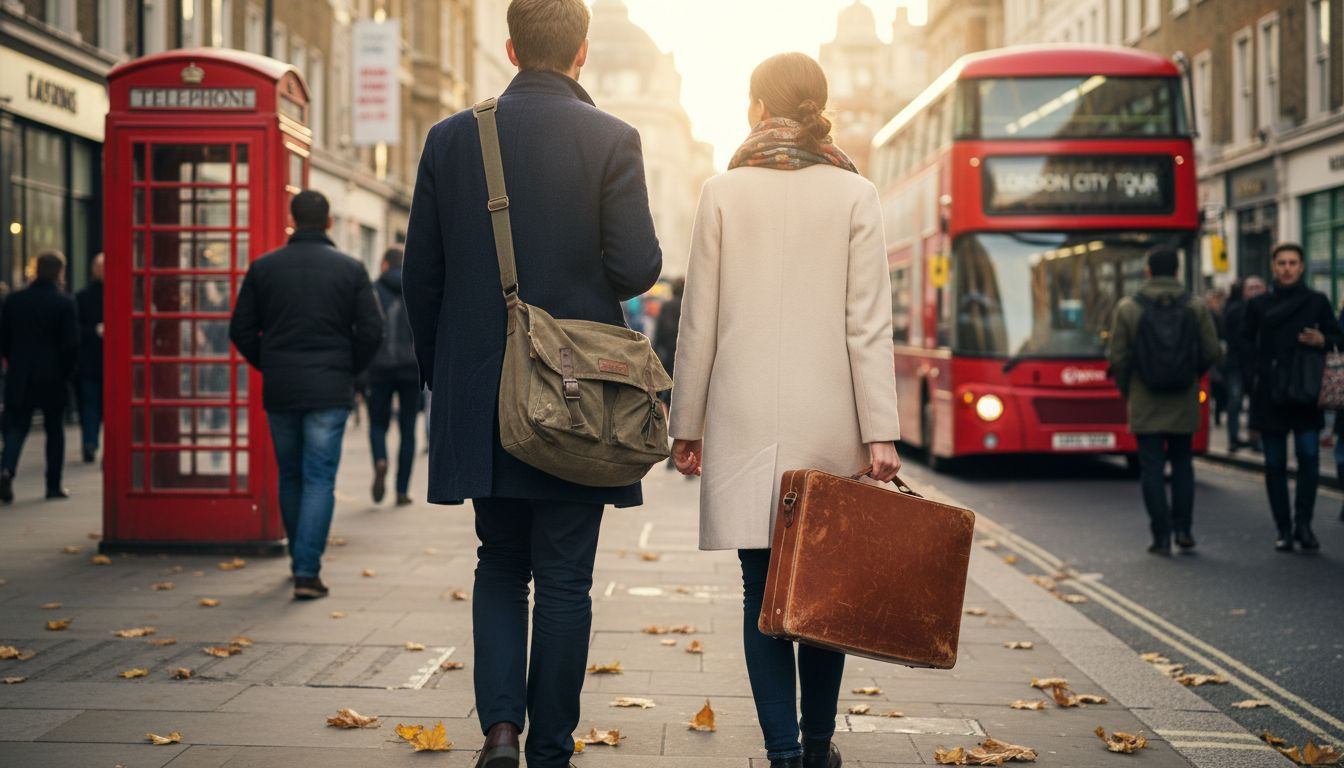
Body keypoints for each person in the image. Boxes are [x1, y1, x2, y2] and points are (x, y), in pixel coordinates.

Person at [401, 1, 662, 766]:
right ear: (583, 51)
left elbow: (422, 277)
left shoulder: (451, 138)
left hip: (484, 392)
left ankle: (500, 731)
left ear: (511, 49)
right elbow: (637, 267)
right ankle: (551, 745)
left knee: (499, 563)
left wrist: (446, 381)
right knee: (565, 580)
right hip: (581, 396)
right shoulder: (612, 138)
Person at [670, 53, 902, 768]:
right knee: (824, 587)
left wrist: (686, 425)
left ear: (758, 108)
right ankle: (820, 744)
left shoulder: (721, 192)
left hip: (743, 421)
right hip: (830, 423)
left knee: (759, 587)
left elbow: (699, 321)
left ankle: (784, 752)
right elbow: (868, 325)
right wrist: (881, 433)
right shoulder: (856, 194)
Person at [229, 191, 384, 598]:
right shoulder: (350, 269)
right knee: (319, 478)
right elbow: (372, 331)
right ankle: (306, 571)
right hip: (329, 389)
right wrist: (348, 368)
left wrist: (270, 363)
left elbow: (240, 329)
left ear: (292, 219)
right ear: (329, 221)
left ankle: (299, 558)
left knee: (291, 474)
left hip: (281, 387)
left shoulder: (264, 267)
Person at [1107, 246, 1221, 555]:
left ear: (1147, 271)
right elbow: (1212, 351)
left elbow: (1118, 358)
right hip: (1183, 398)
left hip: (1145, 399)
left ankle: (1161, 537)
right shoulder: (1195, 306)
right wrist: (1191, 375)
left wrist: (1129, 390)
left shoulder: (1128, 307)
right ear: (1176, 271)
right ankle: (1184, 529)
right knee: (1183, 465)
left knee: (1152, 470)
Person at [1242, 242, 1344, 552]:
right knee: (1274, 464)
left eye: (1292, 263)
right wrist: (1252, 381)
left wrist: (1323, 339)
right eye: (1282, 263)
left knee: (1309, 458)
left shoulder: (1317, 301)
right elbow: (1244, 346)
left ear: (1301, 267)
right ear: (1274, 267)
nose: (1287, 268)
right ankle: (1283, 529)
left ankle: (1304, 525)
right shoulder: (1259, 305)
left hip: (1305, 392)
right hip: (1270, 394)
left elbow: (1338, 338)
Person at [0, 251, 79, 503]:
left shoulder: (14, 301)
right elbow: (71, 344)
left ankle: (6, 470)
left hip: (20, 375)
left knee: (17, 427)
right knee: (54, 431)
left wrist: (15, 363)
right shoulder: (64, 302)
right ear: (59, 272)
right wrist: (67, 373)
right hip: (53, 376)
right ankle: (53, 485)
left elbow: (4, 340)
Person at [366, 245, 421, 506]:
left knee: (378, 424)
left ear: (385, 264)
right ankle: (402, 490)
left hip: (380, 367)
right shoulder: (415, 287)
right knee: (408, 429)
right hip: (412, 368)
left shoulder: (374, 289)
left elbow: (366, 329)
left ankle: (380, 460)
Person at [1222, 276, 1266, 452]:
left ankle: (1255, 438)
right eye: (1251, 287)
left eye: (1258, 287)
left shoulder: (1267, 308)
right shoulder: (1235, 310)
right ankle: (1233, 438)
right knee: (1235, 400)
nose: (1255, 291)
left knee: (1257, 402)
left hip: (1258, 363)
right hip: (1237, 364)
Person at [75, 253, 105, 463]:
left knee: (104, 408)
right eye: (99, 267)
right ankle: (90, 443)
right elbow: (74, 329)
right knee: (89, 405)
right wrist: (94, 331)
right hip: (89, 361)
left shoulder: (125, 294)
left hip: (113, 363)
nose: (102, 271)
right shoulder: (81, 297)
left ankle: (109, 446)